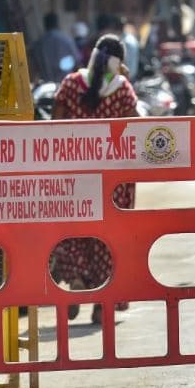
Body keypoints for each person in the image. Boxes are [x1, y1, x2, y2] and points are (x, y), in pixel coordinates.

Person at [50, 35, 138, 324]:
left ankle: (76, 278)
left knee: (75, 229)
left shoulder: (72, 83)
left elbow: (56, 123)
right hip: (113, 179)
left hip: (76, 174)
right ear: (120, 61)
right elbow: (134, 125)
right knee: (110, 237)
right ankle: (103, 304)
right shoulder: (122, 89)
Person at [31, 12, 81, 83]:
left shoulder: (38, 44)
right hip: (65, 84)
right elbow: (77, 61)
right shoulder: (66, 40)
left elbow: (35, 68)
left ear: (45, 25)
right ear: (57, 24)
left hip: (47, 86)